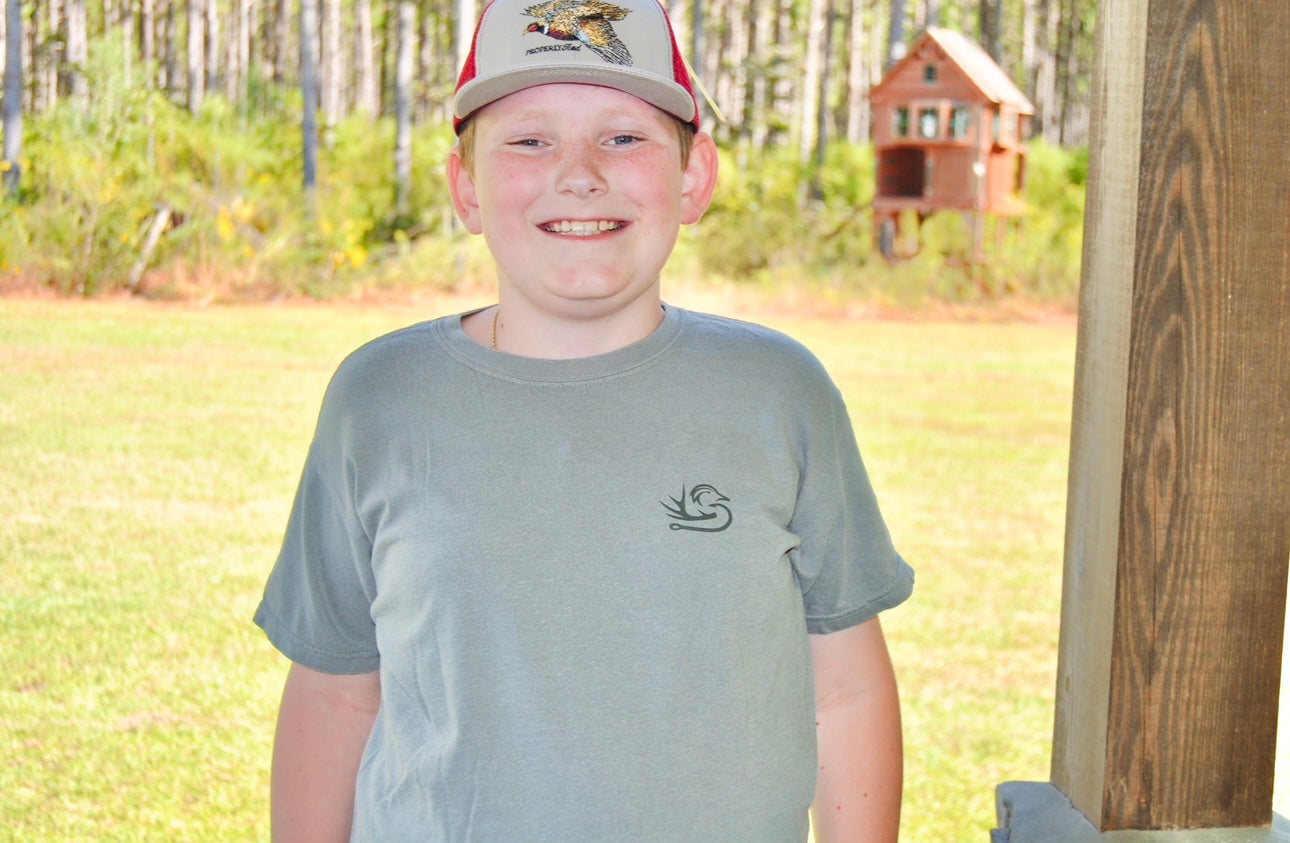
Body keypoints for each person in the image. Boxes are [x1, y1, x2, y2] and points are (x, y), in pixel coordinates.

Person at [254, 0, 914, 839]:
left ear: (694, 177)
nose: (579, 172)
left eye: (624, 137)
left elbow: (846, 689)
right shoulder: (379, 399)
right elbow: (336, 690)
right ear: (465, 187)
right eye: (529, 140)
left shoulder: (778, 393)